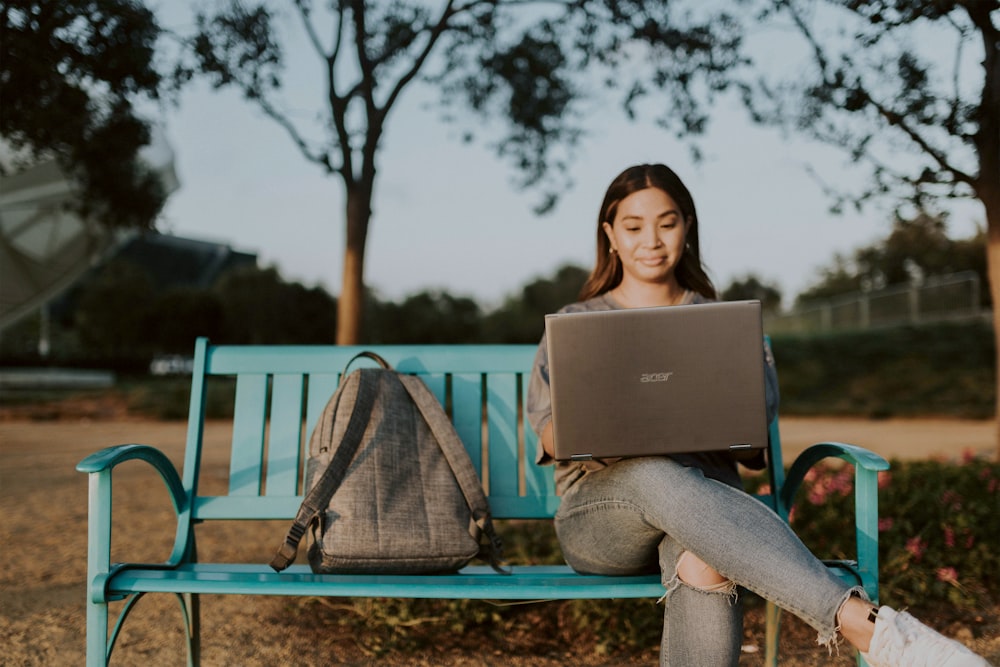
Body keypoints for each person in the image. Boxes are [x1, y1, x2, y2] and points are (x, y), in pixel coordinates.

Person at [526, 163, 990, 667]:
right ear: (610, 235)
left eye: (667, 222)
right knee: (653, 474)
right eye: (634, 226)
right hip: (600, 521)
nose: (651, 240)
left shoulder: (723, 327)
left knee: (704, 558)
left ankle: (875, 632)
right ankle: (866, 626)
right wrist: (614, 420)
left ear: (687, 227)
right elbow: (550, 437)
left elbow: (751, 452)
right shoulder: (576, 326)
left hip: (707, 517)